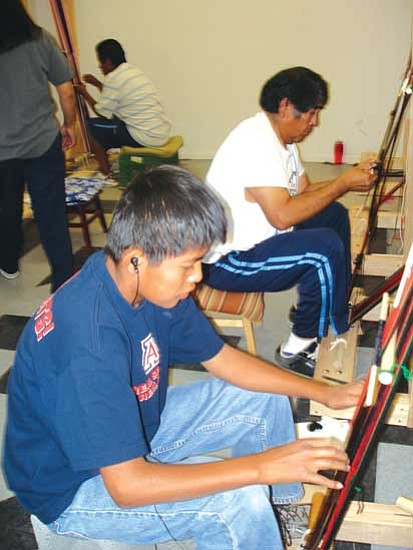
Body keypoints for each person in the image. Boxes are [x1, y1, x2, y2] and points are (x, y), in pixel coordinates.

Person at [4, 165, 364, 550]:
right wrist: (260, 467)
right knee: (238, 502)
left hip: (134, 425)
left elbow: (223, 358)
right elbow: (127, 486)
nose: (198, 276)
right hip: (73, 485)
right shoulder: (89, 342)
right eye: (188, 265)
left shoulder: (144, 284)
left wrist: (322, 392)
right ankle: (257, 517)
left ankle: (280, 514)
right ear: (136, 259)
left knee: (265, 397)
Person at [202, 66, 378, 377]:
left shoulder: (282, 141)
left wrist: (350, 178)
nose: (315, 122)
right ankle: (298, 346)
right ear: (285, 107)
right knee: (321, 248)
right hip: (228, 262)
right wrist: (343, 184)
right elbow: (283, 216)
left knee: (333, 215)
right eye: (311, 113)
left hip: (258, 242)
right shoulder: (255, 143)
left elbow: (305, 193)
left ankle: (329, 311)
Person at [0, 0, 75, 292]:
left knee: (7, 209)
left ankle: (8, 262)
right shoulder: (40, 39)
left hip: (3, 152)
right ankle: (63, 280)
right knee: (50, 213)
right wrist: (70, 125)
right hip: (43, 143)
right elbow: (66, 92)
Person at [78, 38, 171, 180]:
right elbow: (115, 99)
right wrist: (97, 84)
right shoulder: (133, 71)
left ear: (108, 62)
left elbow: (102, 111)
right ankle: (108, 164)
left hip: (144, 137)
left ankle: (105, 172)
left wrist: (84, 93)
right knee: (115, 120)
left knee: (91, 125)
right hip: (160, 133)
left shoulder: (113, 78)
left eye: (101, 63)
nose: (101, 67)